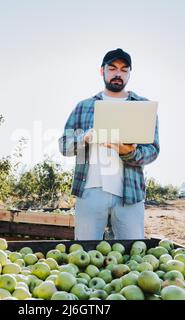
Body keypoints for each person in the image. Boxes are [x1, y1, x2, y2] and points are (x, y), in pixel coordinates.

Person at [58, 48, 160, 240]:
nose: (118, 74)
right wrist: (84, 139)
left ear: (129, 73)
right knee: (85, 255)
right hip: (89, 192)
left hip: (130, 194)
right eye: (112, 68)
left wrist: (129, 152)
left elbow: (153, 150)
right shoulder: (83, 107)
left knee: (134, 256)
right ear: (102, 71)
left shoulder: (143, 106)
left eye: (124, 69)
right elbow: (63, 146)